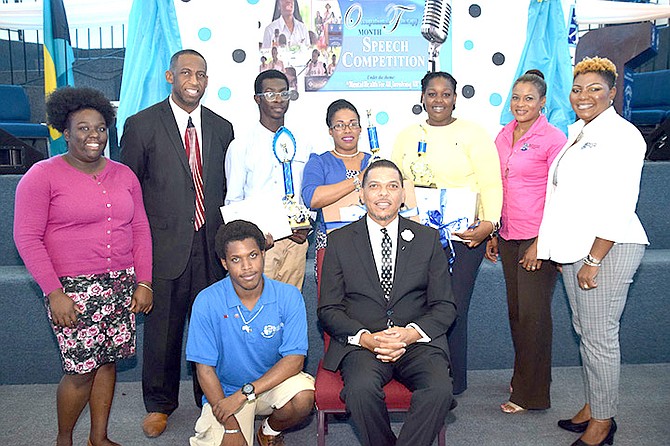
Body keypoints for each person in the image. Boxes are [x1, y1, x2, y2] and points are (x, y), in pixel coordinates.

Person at [14, 86, 153, 446]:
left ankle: (99, 437)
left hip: (120, 284)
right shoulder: (41, 176)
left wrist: (145, 282)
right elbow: (27, 239)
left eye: (101, 128)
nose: (94, 136)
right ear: (65, 130)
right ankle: (64, 440)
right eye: (83, 128)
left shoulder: (124, 175)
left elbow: (140, 229)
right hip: (71, 291)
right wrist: (53, 292)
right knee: (79, 371)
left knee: (107, 363)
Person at [120, 49, 235, 438]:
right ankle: (159, 404)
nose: (194, 80)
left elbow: (227, 189)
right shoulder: (141, 124)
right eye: (186, 72)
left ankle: (210, 400)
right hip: (164, 246)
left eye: (201, 74)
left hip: (211, 245)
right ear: (170, 76)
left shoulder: (222, 128)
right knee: (163, 331)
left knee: (211, 328)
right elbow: (129, 191)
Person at [537, 57, 648, 446]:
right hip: (576, 248)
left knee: (599, 336)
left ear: (613, 92)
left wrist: (594, 258)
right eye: (578, 89)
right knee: (586, 332)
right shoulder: (580, 132)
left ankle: (603, 423)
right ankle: (594, 404)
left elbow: (620, 203)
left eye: (595, 89)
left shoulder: (623, 135)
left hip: (606, 248)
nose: (584, 96)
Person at [318, 160, 457, 446]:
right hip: (364, 344)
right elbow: (328, 309)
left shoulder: (428, 238)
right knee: (359, 390)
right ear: (362, 194)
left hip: (416, 342)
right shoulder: (340, 241)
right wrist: (366, 338)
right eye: (375, 186)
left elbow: (445, 306)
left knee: (440, 390)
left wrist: (410, 333)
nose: (383, 194)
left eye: (392, 186)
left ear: (403, 194)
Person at [392, 71, 502, 395]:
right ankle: (421, 372)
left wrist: (490, 223)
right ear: (422, 97)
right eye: (432, 93)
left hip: (465, 236)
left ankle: (453, 380)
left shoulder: (474, 133)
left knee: (452, 306)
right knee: (418, 304)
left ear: (455, 98)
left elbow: (491, 182)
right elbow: (394, 180)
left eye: (446, 94)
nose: (438, 99)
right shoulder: (407, 136)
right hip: (417, 237)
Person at [186, 220, 314, 446]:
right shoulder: (206, 301)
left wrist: (244, 394)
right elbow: (204, 370)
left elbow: (294, 361)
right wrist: (232, 429)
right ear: (224, 263)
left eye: (253, 255)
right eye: (236, 259)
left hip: (270, 386)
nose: (247, 267)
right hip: (225, 394)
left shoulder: (289, 296)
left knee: (303, 396)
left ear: (264, 254)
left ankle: (269, 429)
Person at [484, 70, 567, 413]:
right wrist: (492, 231)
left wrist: (542, 243)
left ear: (543, 102)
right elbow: (494, 187)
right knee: (517, 314)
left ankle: (530, 395)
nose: (520, 104)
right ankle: (525, 377)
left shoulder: (553, 139)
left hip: (537, 237)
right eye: (516, 97)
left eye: (529, 98)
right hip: (507, 235)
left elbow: (560, 194)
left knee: (534, 317)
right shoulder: (503, 135)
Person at [225, 69, 311, 290]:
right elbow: (233, 201)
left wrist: (306, 224)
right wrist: (251, 240)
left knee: (291, 306)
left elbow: (309, 192)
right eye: (270, 94)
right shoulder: (241, 146)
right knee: (257, 307)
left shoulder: (303, 143)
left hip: (297, 241)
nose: (279, 99)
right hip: (261, 244)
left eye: (284, 93)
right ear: (257, 99)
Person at [302, 99, 371, 267]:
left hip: (371, 245)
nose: (347, 130)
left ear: (360, 129)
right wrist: (358, 180)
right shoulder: (319, 162)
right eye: (339, 125)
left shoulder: (373, 162)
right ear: (330, 131)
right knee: (333, 293)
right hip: (331, 245)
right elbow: (312, 198)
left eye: (353, 124)